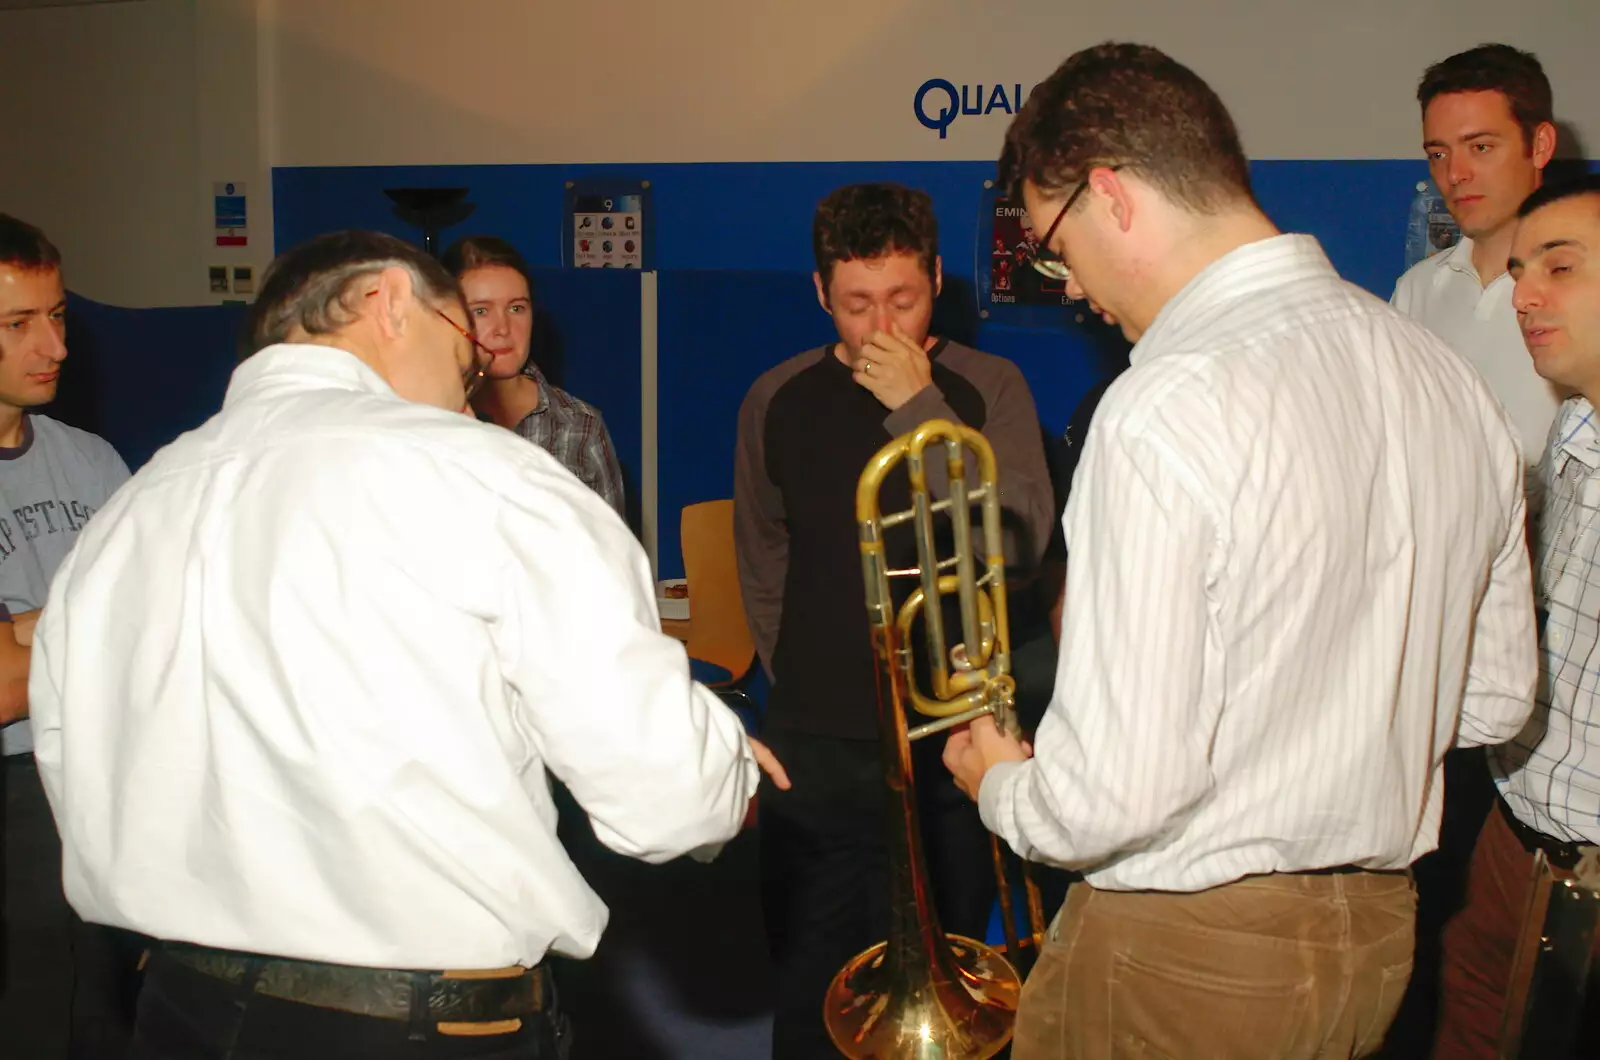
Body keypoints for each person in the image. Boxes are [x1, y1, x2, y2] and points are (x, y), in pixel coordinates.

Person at [29, 230, 785, 1060]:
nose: (471, 382)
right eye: (464, 343)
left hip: (179, 1014)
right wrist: (724, 766)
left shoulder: (129, 509)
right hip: (416, 1024)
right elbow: (668, 798)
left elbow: (79, 778)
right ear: (389, 301)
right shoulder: (486, 474)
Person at [943, 43, 1537, 1059]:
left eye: (1053, 248)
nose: (1071, 289)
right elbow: (1492, 702)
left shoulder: (1161, 404)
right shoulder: (1444, 377)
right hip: (1375, 942)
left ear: (1110, 195)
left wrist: (998, 782)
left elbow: (1110, 797)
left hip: (1182, 951)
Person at [734, 182, 1054, 1059]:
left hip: (952, 737)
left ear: (938, 281)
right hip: (819, 744)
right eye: (856, 304)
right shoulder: (778, 395)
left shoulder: (989, 386)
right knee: (809, 987)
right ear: (819, 294)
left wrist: (921, 409)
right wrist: (796, 673)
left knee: (946, 986)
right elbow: (762, 553)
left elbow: (1021, 543)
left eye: (903, 300)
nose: (880, 327)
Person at [1433, 173, 1600, 1059]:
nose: (1523, 294)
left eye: (1560, 268)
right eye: (1521, 268)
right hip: (1516, 838)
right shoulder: (1569, 444)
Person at [0, 213, 136, 1059]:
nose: (52, 345)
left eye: (59, 317)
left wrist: (22, 629)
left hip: (100, 782)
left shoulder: (91, 460)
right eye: (18, 326)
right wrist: (96, 605)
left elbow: (153, 628)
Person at [1392, 44, 1564, 472]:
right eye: (1438, 154)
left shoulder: (1584, 291)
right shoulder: (1416, 290)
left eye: (1481, 147)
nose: (1454, 174)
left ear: (1539, 145)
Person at [442, 235, 626, 519]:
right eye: (481, 311)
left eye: (516, 308)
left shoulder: (579, 425)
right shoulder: (426, 420)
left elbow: (615, 556)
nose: (503, 328)